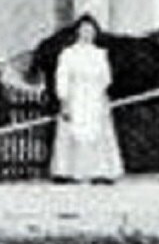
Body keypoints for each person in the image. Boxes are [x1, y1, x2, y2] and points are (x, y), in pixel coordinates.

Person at [49, 14, 123, 183]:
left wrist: (102, 95)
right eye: (84, 30)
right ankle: (67, 171)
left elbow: (106, 79)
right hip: (75, 96)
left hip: (95, 97)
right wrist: (65, 101)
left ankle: (100, 171)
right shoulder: (68, 54)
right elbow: (62, 78)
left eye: (91, 31)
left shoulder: (100, 54)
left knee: (97, 133)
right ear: (77, 32)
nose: (87, 34)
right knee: (73, 132)